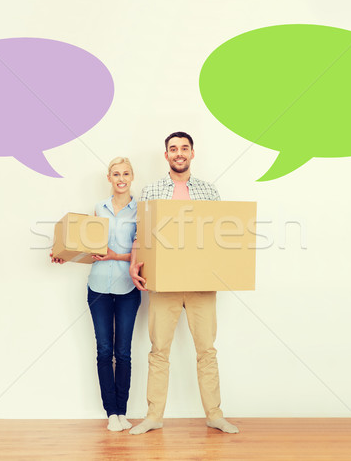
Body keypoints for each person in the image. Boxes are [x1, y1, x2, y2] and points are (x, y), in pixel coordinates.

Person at [128, 132, 239, 435]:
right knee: (158, 349)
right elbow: (142, 233)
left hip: (201, 282)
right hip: (164, 282)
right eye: (173, 149)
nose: (179, 153)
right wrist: (134, 263)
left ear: (192, 153)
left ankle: (215, 415)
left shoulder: (208, 190)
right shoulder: (152, 190)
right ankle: (153, 416)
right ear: (166, 155)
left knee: (206, 349)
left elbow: (220, 235)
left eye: (184, 148)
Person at [51, 157, 140, 432]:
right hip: (98, 287)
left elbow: (144, 252)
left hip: (128, 288)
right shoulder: (98, 209)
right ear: (109, 178)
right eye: (116, 174)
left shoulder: (142, 211)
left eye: (125, 173)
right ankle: (111, 412)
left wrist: (117, 256)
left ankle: (123, 411)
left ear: (132, 177)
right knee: (104, 350)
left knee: (123, 352)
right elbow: (89, 246)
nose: (121, 178)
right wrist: (65, 255)